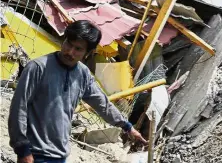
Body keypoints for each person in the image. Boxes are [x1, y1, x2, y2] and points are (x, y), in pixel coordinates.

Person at [8, 20, 147, 163]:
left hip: (60, 154)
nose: (70, 52)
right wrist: (22, 149)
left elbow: (102, 104)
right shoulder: (38, 68)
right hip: (34, 154)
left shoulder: (83, 74)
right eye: (69, 44)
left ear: (88, 53)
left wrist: (127, 127)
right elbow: (18, 109)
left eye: (78, 49)